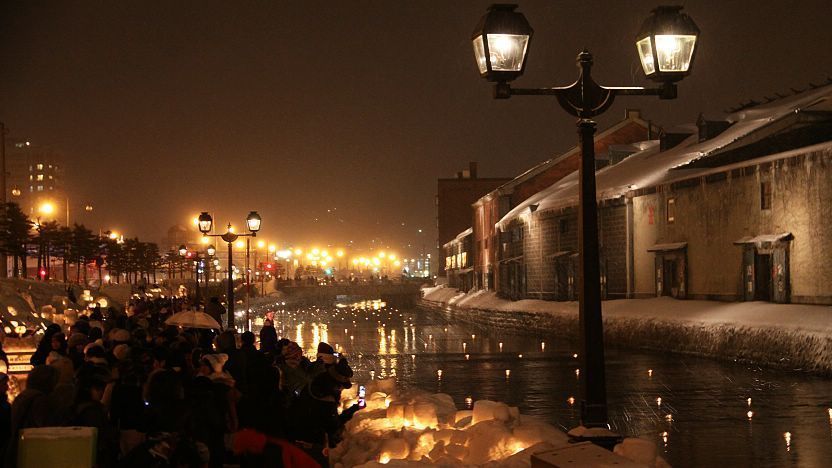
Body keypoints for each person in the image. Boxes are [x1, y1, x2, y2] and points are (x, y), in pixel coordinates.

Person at [286, 358, 362, 466]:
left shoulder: (315, 384)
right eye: (341, 387)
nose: (341, 390)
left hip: (295, 434)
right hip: (311, 441)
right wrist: (353, 409)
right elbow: (333, 425)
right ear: (336, 384)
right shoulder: (326, 398)